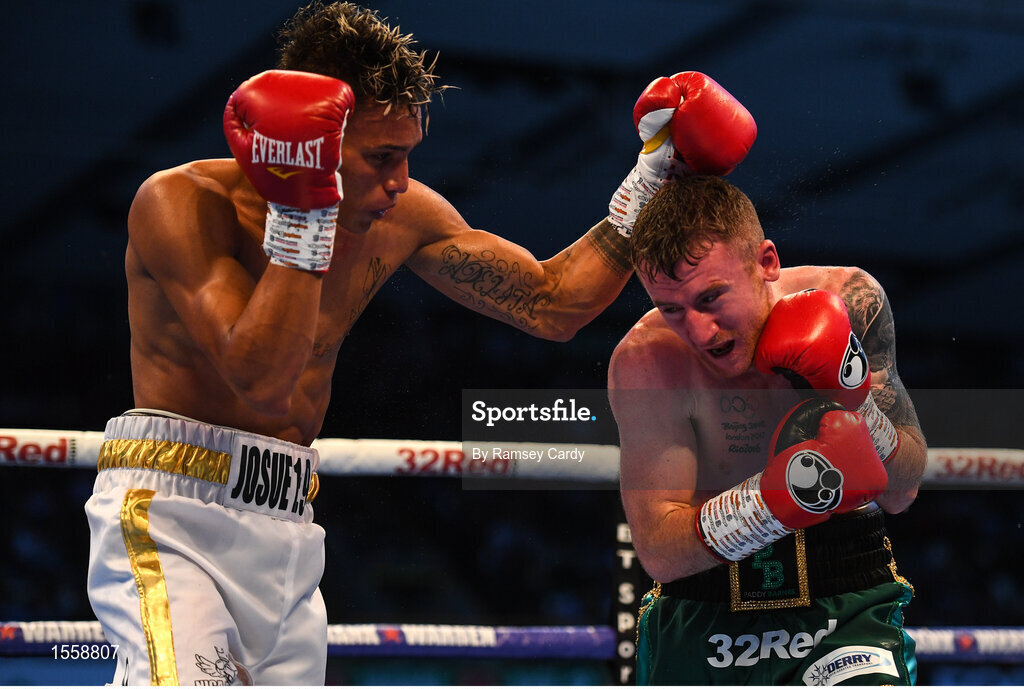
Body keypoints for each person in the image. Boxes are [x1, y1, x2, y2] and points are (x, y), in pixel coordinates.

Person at [84, 1, 758, 684]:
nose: (400, 181)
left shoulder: (402, 216)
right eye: (380, 157)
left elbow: (553, 304)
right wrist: (305, 210)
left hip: (286, 519)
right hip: (174, 513)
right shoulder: (179, 203)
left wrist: (653, 171)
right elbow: (260, 379)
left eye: (406, 155)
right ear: (308, 143)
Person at [608, 174, 927, 685]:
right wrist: (776, 500)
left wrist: (855, 406)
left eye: (711, 297)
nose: (698, 331)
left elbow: (903, 490)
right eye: (672, 309)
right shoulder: (647, 361)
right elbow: (659, 552)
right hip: (702, 609)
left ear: (766, 263)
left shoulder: (850, 298)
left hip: (844, 599)